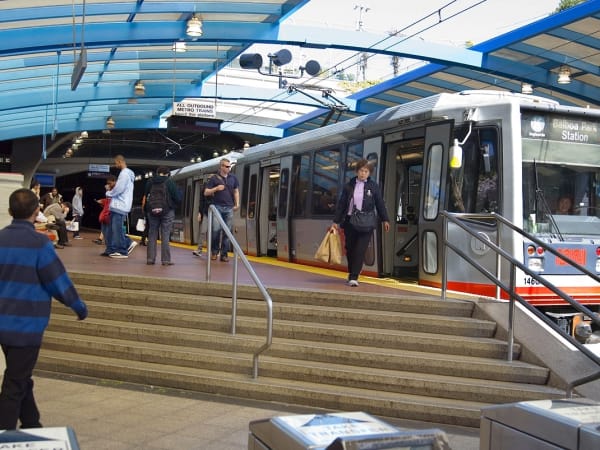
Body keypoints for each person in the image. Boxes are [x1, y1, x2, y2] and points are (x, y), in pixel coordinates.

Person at [0, 188, 88, 430]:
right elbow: (58, 282)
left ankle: (32, 424)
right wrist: (79, 307)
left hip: (3, 325)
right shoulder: (39, 244)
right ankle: (5, 434)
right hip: (27, 327)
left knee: (20, 375)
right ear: (36, 211)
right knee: (14, 384)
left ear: (10, 212)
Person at [332, 159, 391, 287]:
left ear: (369, 173)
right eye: (361, 171)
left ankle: (354, 277)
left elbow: (380, 203)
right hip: (350, 222)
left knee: (360, 249)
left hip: (366, 222)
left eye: (366, 171)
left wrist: (385, 219)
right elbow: (342, 204)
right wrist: (336, 221)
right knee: (350, 249)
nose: (363, 173)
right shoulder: (349, 186)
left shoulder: (373, 186)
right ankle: (353, 271)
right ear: (356, 171)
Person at [144, 166, 181, 265]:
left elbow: (146, 195)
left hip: (152, 211)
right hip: (167, 211)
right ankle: (165, 260)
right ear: (168, 174)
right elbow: (177, 198)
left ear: (157, 172)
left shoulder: (150, 182)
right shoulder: (169, 182)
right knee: (165, 234)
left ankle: (150, 259)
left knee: (152, 233)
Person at [204, 158, 240, 262]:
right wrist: (216, 189)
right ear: (221, 167)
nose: (229, 168)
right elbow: (206, 192)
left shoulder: (233, 178)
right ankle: (214, 252)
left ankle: (224, 254)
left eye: (230, 166)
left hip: (229, 207)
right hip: (217, 207)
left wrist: (237, 204)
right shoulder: (214, 178)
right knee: (216, 230)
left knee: (227, 232)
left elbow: (236, 191)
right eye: (227, 166)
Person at [105, 154, 137, 259]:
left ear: (120, 161)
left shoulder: (124, 174)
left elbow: (119, 189)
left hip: (119, 205)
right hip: (121, 205)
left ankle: (123, 250)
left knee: (117, 230)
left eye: (116, 163)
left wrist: (109, 193)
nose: (115, 165)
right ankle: (112, 249)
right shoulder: (128, 174)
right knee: (112, 230)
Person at [96, 175, 116, 254]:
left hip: (110, 213)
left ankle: (112, 249)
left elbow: (112, 201)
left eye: (110, 183)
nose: (108, 185)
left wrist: (108, 191)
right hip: (106, 213)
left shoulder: (116, 190)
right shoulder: (109, 192)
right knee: (105, 231)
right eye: (108, 183)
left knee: (110, 232)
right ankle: (108, 250)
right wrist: (102, 201)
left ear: (114, 181)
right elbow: (108, 201)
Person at [192, 181, 210, 257]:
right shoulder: (205, 186)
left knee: (214, 233)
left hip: (216, 213)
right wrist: (200, 212)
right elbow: (201, 201)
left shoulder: (218, 185)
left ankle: (213, 251)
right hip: (206, 212)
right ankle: (199, 250)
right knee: (203, 231)